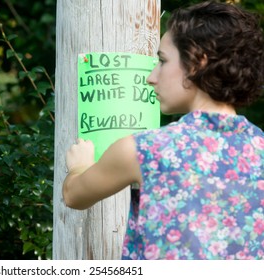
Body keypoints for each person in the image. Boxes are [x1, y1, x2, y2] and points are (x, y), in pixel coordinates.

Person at [63, 1, 264, 260]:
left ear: (196, 64)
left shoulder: (145, 150)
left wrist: (79, 166)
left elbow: (74, 194)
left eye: (162, 60)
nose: (151, 77)